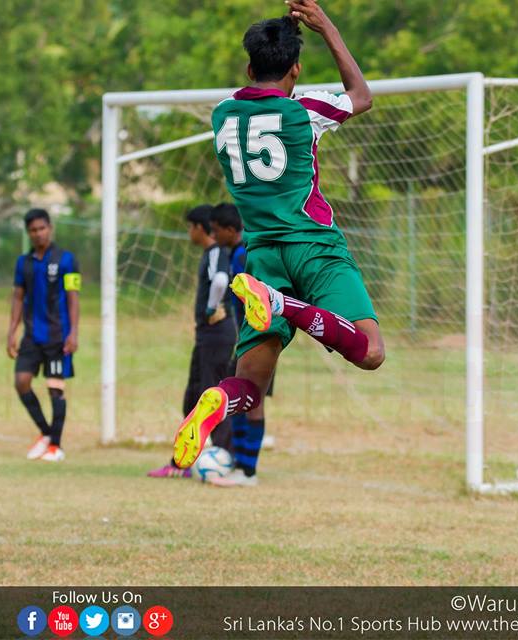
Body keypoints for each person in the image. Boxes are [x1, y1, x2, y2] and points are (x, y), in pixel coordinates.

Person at [171, 1, 385, 470]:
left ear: (249, 66)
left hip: (262, 257)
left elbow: (251, 95)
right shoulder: (303, 110)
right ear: (296, 69)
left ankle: (215, 403)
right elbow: (361, 94)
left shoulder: (223, 115)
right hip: (314, 247)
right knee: (369, 351)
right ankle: (286, 306)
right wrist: (324, 24)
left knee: (248, 385)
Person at [148, 205, 236, 478]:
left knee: (211, 398)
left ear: (201, 228)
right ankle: (187, 460)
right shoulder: (212, 253)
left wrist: (211, 307)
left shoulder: (216, 253)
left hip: (217, 334)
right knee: (193, 398)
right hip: (207, 336)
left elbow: (220, 280)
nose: (189, 232)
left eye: (190, 227)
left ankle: (223, 457)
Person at [7, 208, 80, 462]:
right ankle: (47, 433)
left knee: (55, 389)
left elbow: (73, 297)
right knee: (21, 381)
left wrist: (73, 333)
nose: (38, 234)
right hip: (31, 336)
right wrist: (11, 331)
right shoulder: (23, 263)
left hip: (58, 337)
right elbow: (18, 296)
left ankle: (55, 447)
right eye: (33, 230)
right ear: (28, 233)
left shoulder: (66, 259)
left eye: (42, 228)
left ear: (50, 228)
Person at [208, 203, 265, 487]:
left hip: (259, 340)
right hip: (247, 341)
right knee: (242, 402)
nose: (213, 235)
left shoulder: (244, 255)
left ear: (231, 230)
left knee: (252, 403)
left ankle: (248, 471)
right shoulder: (234, 254)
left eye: (216, 231)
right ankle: (242, 466)